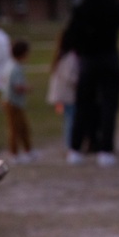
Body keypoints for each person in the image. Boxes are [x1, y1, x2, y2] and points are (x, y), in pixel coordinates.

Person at [65, 0, 119, 167]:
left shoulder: (81, 10)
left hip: (88, 61)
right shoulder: (113, 7)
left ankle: (76, 149)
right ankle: (106, 150)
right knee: (109, 106)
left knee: (83, 105)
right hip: (109, 59)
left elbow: (71, 37)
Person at [46, 27, 79, 156]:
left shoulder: (60, 54)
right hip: (68, 94)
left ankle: (69, 143)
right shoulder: (70, 57)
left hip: (62, 94)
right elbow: (70, 77)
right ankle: (69, 145)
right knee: (71, 120)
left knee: (68, 119)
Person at [2, 39, 36, 164]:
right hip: (13, 103)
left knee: (23, 128)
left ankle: (28, 150)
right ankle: (13, 153)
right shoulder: (15, 68)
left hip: (15, 102)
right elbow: (17, 86)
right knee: (15, 129)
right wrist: (27, 88)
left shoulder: (11, 65)